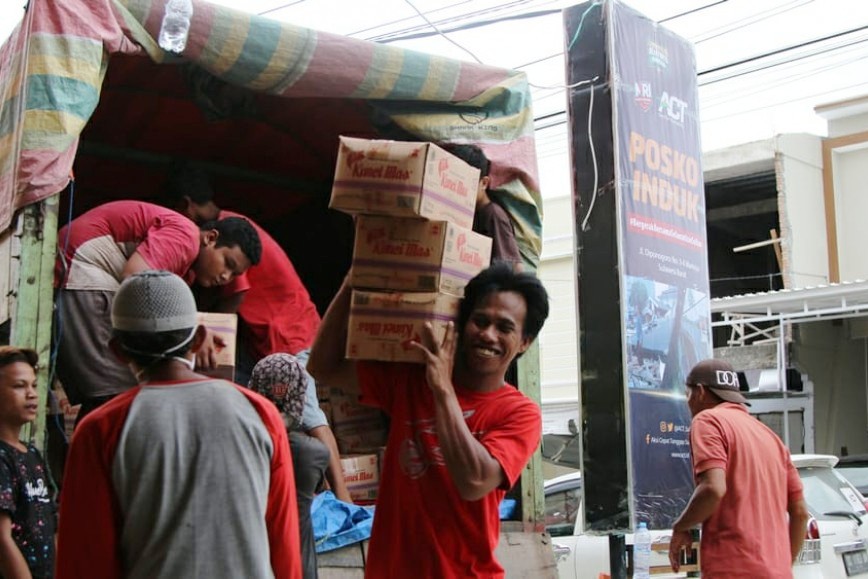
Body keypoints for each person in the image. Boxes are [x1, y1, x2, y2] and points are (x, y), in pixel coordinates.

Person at [307, 262, 549, 578]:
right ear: (463, 324)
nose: (488, 335)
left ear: (525, 342)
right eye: (480, 321)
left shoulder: (520, 413)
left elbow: (474, 482)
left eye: (504, 328)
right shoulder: (411, 380)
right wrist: (353, 281)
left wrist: (443, 390)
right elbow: (322, 367)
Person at [56, 270, 301, 579]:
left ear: (117, 351)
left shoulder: (100, 429)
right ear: (198, 339)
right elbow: (284, 545)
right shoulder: (260, 413)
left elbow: (86, 560)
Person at [162, 165, 351, 503]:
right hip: (264, 339)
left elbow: (231, 302)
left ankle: (344, 500)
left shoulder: (232, 237)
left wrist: (201, 339)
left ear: (186, 206)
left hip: (289, 333)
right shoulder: (231, 230)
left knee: (310, 418)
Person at [53, 199, 262, 421]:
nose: (225, 276)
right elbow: (136, 280)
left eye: (234, 274)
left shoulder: (186, 267)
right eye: (228, 263)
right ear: (210, 238)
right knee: (113, 392)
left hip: (87, 271)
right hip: (82, 266)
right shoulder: (185, 238)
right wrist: (194, 332)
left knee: (120, 389)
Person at [669, 358, 810, 578]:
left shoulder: (708, 421)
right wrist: (783, 566)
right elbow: (800, 513)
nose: (688, 402)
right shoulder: (771, 437)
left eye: (688, 394)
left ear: (700, 392)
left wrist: (681, 526)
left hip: (733, 569)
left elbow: (713, 488)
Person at [249, 353, 331, 579]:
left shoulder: (242, 444)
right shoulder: (315, 453)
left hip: (251, 563)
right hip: (298, 566)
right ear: (301, 395)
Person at [0, 347, 56, 579]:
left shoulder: (31, 453)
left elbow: (50, 523)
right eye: (19, 386)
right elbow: (2, 539)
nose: (32, 394)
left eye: (33, 385)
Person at [443, 144, 523, 270]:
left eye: (465, 182)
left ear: (484, 183)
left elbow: (514, 267)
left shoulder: (493, 215)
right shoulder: (463, 214)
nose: (459, 187)